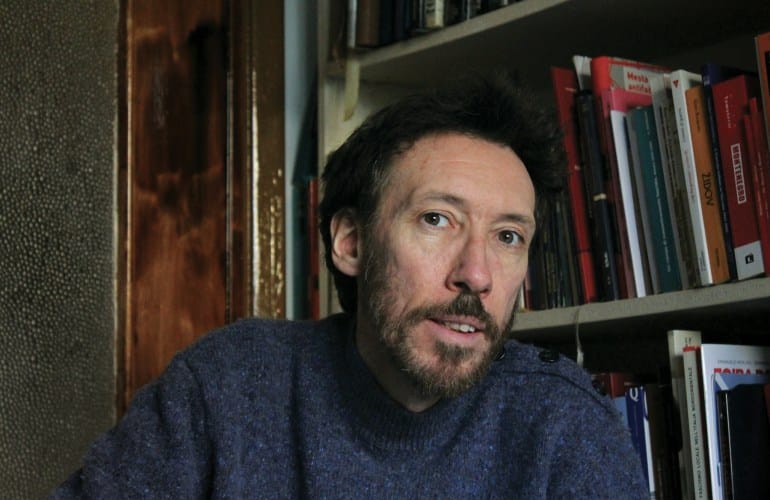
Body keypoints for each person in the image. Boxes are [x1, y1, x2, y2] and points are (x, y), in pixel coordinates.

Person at [52, 72, 647, 498]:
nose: (477, 273)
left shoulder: (563, 425)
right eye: (437, 220)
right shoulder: (227, 387)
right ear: (352, 243)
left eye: (508, 236)